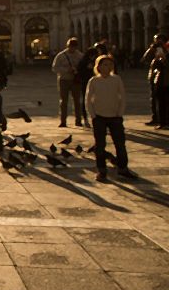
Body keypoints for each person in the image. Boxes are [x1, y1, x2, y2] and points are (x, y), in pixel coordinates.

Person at [86, 54, 136, 182]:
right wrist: (93, 115)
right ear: (99, 66)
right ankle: (101, 170)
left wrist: (120, 113)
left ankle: (123, 168)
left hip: (115, 116)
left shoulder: (116, 79)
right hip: (99, 117)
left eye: (110, 64)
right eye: (105, 64)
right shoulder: (94, 81)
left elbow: (122, 97)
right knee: (100, 145)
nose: (108, 67)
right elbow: (88, 99)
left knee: (120, 144)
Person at [51, 38, 85, 127]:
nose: (72, 49)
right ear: (68, 46)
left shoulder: (80, 56)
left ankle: (78, 120)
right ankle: (63, 121)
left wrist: (77, 70)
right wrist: (66, 70)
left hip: (75, 80)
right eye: (71, 47)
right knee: (63, 101)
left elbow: (83, 67)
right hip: (64, 80)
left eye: (74, 47)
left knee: (77, 101)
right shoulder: (61, 55)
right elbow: (55, 67)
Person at [143, 36, 167, 126]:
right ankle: (155, 118)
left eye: (159, 41)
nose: (158, 43)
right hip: (155, 78)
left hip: (164, 80)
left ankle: (163, 120)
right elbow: (144, 59)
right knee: (154, 100)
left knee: (163, 101)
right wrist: (151, 49)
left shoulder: (166, 51)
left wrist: (164, 53)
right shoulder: (154, 51)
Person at [150, 46, 169, 129]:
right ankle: (162, 122)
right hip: (161, 83)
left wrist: (164, 59)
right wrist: (157, 59)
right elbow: (154, 67)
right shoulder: (159, 58)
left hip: (166, 83)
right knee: (161, 104)